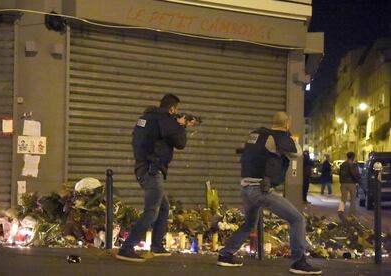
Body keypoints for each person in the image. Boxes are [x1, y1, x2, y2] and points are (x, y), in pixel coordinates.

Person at [217, 112, 322, 275]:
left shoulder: (256, 134)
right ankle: (298, 261)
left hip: (246, 188)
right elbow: (297, 153)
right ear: (287, 124)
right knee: (297, 219)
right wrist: (292, 137)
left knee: (249, 223)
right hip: (260, 190)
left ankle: (225, 254)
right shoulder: (276, 138)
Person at [116, 94, 193, 262]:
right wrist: (182, 125)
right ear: (172, 108)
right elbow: (180, 143)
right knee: (152, 210)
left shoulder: (146, 118)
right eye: (176, 110)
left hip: (143, 167)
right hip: (153, 169)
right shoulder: (165, 120)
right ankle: (127, 247)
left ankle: (157, 245)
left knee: (163, 207)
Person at [338, 151, 361, 219]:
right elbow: (354, 174)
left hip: (343, 183)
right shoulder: (353, 165)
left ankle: (340, 210)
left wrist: (341, 181)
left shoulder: (342, 164)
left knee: (343, 199)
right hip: (351, 183)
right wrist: (359, 181)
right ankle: (352, 214)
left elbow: (340, 174)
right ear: (352, 157)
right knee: (353, 199)